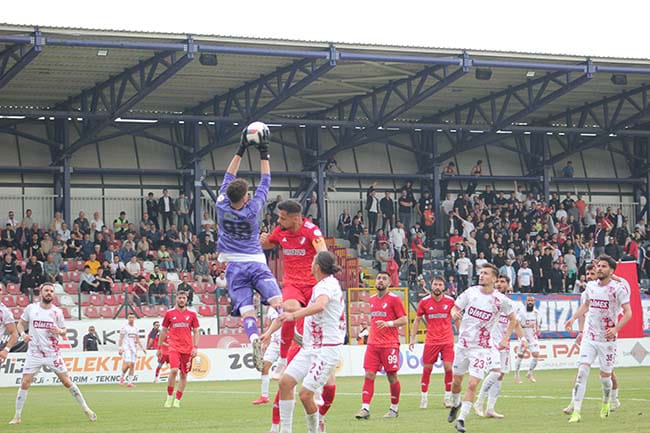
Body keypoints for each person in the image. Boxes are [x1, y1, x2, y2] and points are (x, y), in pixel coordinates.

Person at [216, 127, 283, 372]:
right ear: (245, 197)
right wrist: (263, 152)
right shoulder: (253, 209)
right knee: (278, 302)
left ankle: (254, 338)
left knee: (246, 310)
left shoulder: (222, 205)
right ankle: (288, 329)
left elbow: (228, 175)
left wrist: (240, 149)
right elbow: (266, 180)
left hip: (234, 266)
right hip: (256, 261)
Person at [261, 251, 345, 433]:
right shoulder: (319, 286)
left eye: (313, 261)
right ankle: (285, 430)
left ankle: (315, 430)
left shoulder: (326, 286)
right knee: (285, 383)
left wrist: (293, 314)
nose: (310, 263)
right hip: (310, 348)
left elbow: (320, 305)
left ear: (317, 266)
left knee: (306, 395)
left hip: (326, 349)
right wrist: (269, 332)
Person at [9, 284, 97, 424]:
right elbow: (20, 324)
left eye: (51, 291)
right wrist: (23, 334)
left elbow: (64, 331)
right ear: (41, 293)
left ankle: (86, 409)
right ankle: (17, 416)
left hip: (52, 353)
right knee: (25, 382)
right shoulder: (31, 308)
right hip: (34, 353)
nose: (49, 293)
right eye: (46, 291)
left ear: (54, 295)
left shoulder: (57, 312)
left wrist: (58, 331)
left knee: (66, 381)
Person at [260, 199, 328, 379]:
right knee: (289, 308)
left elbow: (322, 250)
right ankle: (282, 360)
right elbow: (268, 244)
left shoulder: (311, 230)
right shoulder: (281, 230)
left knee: (306, 319)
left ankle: (307, 346)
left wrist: (323, 264)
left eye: (283, 218)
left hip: (312, 284)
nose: (279, 221)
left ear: (296, 218)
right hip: (291, 282)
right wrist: (264, 241)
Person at [447, 264, 518, 433]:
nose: (481, 276)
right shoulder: (471, 292)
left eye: (485, 274)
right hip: (463, 346)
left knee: (472, 384)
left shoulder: (501, 300)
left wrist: (505, 338)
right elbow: (455, 308)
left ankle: (462, 419)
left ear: (494, 279)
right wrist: (454, 315)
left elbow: (513, 320)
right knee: (456, 382)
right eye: (481, 273)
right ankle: (455, 404)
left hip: (481, 348)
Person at [563, 255, 632, 423]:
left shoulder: (618, 288)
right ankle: (576, 412)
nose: (599, 268)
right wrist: (572, 319)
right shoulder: (591, 286)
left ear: (611, 271)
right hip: (590, 337)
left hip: (607, 341)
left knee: (605, 378)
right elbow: (586, 305)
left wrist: (616, 329)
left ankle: (607, 402)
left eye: (603, 266)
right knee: (582, 372)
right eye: (598, 266)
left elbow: (628, 312)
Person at [355, 271, 407, 420]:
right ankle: (365, 408)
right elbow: (376, 319)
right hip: (373, 344)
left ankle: (394, 409)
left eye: (384, 279)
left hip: (389, 344)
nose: (380, 281)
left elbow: (403, 319)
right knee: (369, 374)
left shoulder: (394, 299)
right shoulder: (371, 300)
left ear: (389, 283)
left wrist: (388, 324)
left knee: (392, 376)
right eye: (378, 278)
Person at [473, 274, 525, 419]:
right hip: (490, 343)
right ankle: (479, 401)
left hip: (504, 344)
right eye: (498, 282)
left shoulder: (512, 305)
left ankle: (490, 408)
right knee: (495, 372)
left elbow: (516, 324)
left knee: (500, 375)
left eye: (503, 282)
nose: (500, 284)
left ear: (509, 285)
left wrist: (522, 339)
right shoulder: (488, 301)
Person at [409, 276, 457, 409]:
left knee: (448, 367)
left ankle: (447, 398)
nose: (437, 287)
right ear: (431, 286)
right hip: (431, 341)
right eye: (435, 284)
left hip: (447, 340)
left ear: (444, 287)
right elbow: (417, 320)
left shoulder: (450, 301)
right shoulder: (424, 302)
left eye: (440, 284)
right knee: (427, 369)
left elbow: (456, 317)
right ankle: (424, 398)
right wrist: (412, 338)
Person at [158, 291, 200, 408]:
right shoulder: (169, 313)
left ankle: (177, 399)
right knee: (174, 370)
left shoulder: (192, 314)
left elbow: (196, 331)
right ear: (176, 299)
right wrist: (160, 347)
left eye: (184, 298)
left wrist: (195, 347)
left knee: (184, 374)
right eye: (180, 298)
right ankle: (169, 397)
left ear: (187, 300)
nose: (182, 300)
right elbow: (164, 330)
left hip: (187, 348)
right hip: (174, 347)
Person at [252, 306, 282, 405]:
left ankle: (290, 397)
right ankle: (264, 396)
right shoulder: (270, 309)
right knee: (264, 367)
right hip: (274, 343)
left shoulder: (285, 306)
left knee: (288, 371)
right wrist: (266, 342)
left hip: (287, 342)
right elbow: (269, 326)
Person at [513, 295, 541, 384]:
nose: (530, 302)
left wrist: (538, 329)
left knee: (536, 355)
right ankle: (516, 374)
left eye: (531, 301)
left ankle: (529, 373)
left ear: (534, 302)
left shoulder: (536, 312)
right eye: (528, 300)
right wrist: (526, 326)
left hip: (533, 337)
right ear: (526, 302)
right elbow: (516, 324)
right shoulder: (521, 312)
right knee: (520, 356)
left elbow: (536, 323)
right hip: (523, 338)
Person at [118, 313, 146, 387]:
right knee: (128, 364)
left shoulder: (136, 328)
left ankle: (130, 382)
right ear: (128, 318)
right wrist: (120, 348)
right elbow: (120, 338)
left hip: (134, 349)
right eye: (130, 317)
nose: (131, 319)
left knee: (132, 365)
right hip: (126, 348)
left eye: (132, 317)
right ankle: (122, 377)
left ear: (134, 319)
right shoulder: (125, 328)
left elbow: (137, 339)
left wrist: (142, 348)